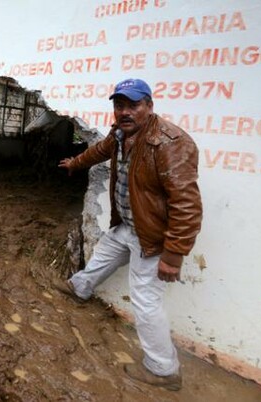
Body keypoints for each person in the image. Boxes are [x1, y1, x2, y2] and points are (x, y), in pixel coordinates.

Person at [55, 78, 202, 391]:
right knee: (104, 253)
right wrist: (76, 163)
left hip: (153, 237)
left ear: (148, 106)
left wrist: (174, 255)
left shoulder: (169, 143)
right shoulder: (120, 134)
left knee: (145, 301)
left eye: (133, 104)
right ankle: (79, 288)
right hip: (129, 226)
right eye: (119, 105)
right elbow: (100, 151)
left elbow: (187, 205)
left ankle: (164, 370)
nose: (125, 111)